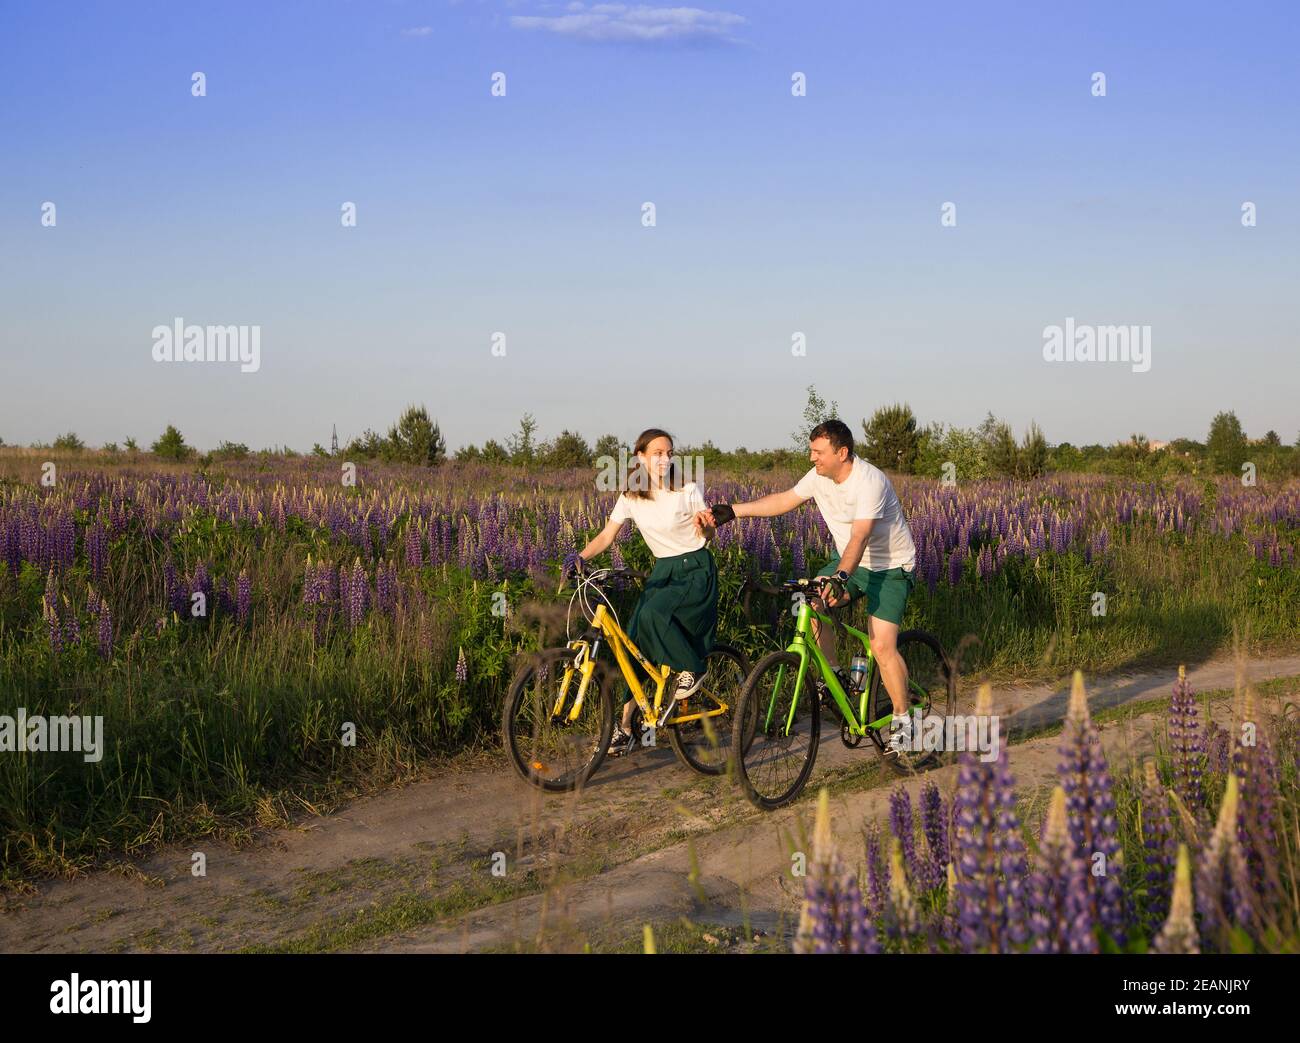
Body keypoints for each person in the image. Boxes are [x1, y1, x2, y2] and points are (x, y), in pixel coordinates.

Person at [696, 419, 918, 754]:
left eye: (818, 451)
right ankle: (835, 676)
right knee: (808, 603)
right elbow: (784, 500)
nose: (812, 457)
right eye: (811, 450)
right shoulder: (819, 477)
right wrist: (734, 512)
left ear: (842, 453)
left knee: (882, 647)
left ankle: (905, 721)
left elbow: (860, 536)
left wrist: (840, 576)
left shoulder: (870, 482)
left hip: (889, 568)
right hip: (848, 562)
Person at [571, 428, 718, 755]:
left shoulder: (687, 489)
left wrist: (707, 527)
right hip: (663, 570)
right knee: (633, 641)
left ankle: (693, 668)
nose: (665, 459)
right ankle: (626, 727)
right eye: (658, 453)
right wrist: (579, 557)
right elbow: (607, 536)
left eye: (669, 453)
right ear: (640, 457)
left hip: (693, 569)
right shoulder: (631, 496)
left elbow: (708, 534)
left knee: (653, 614)